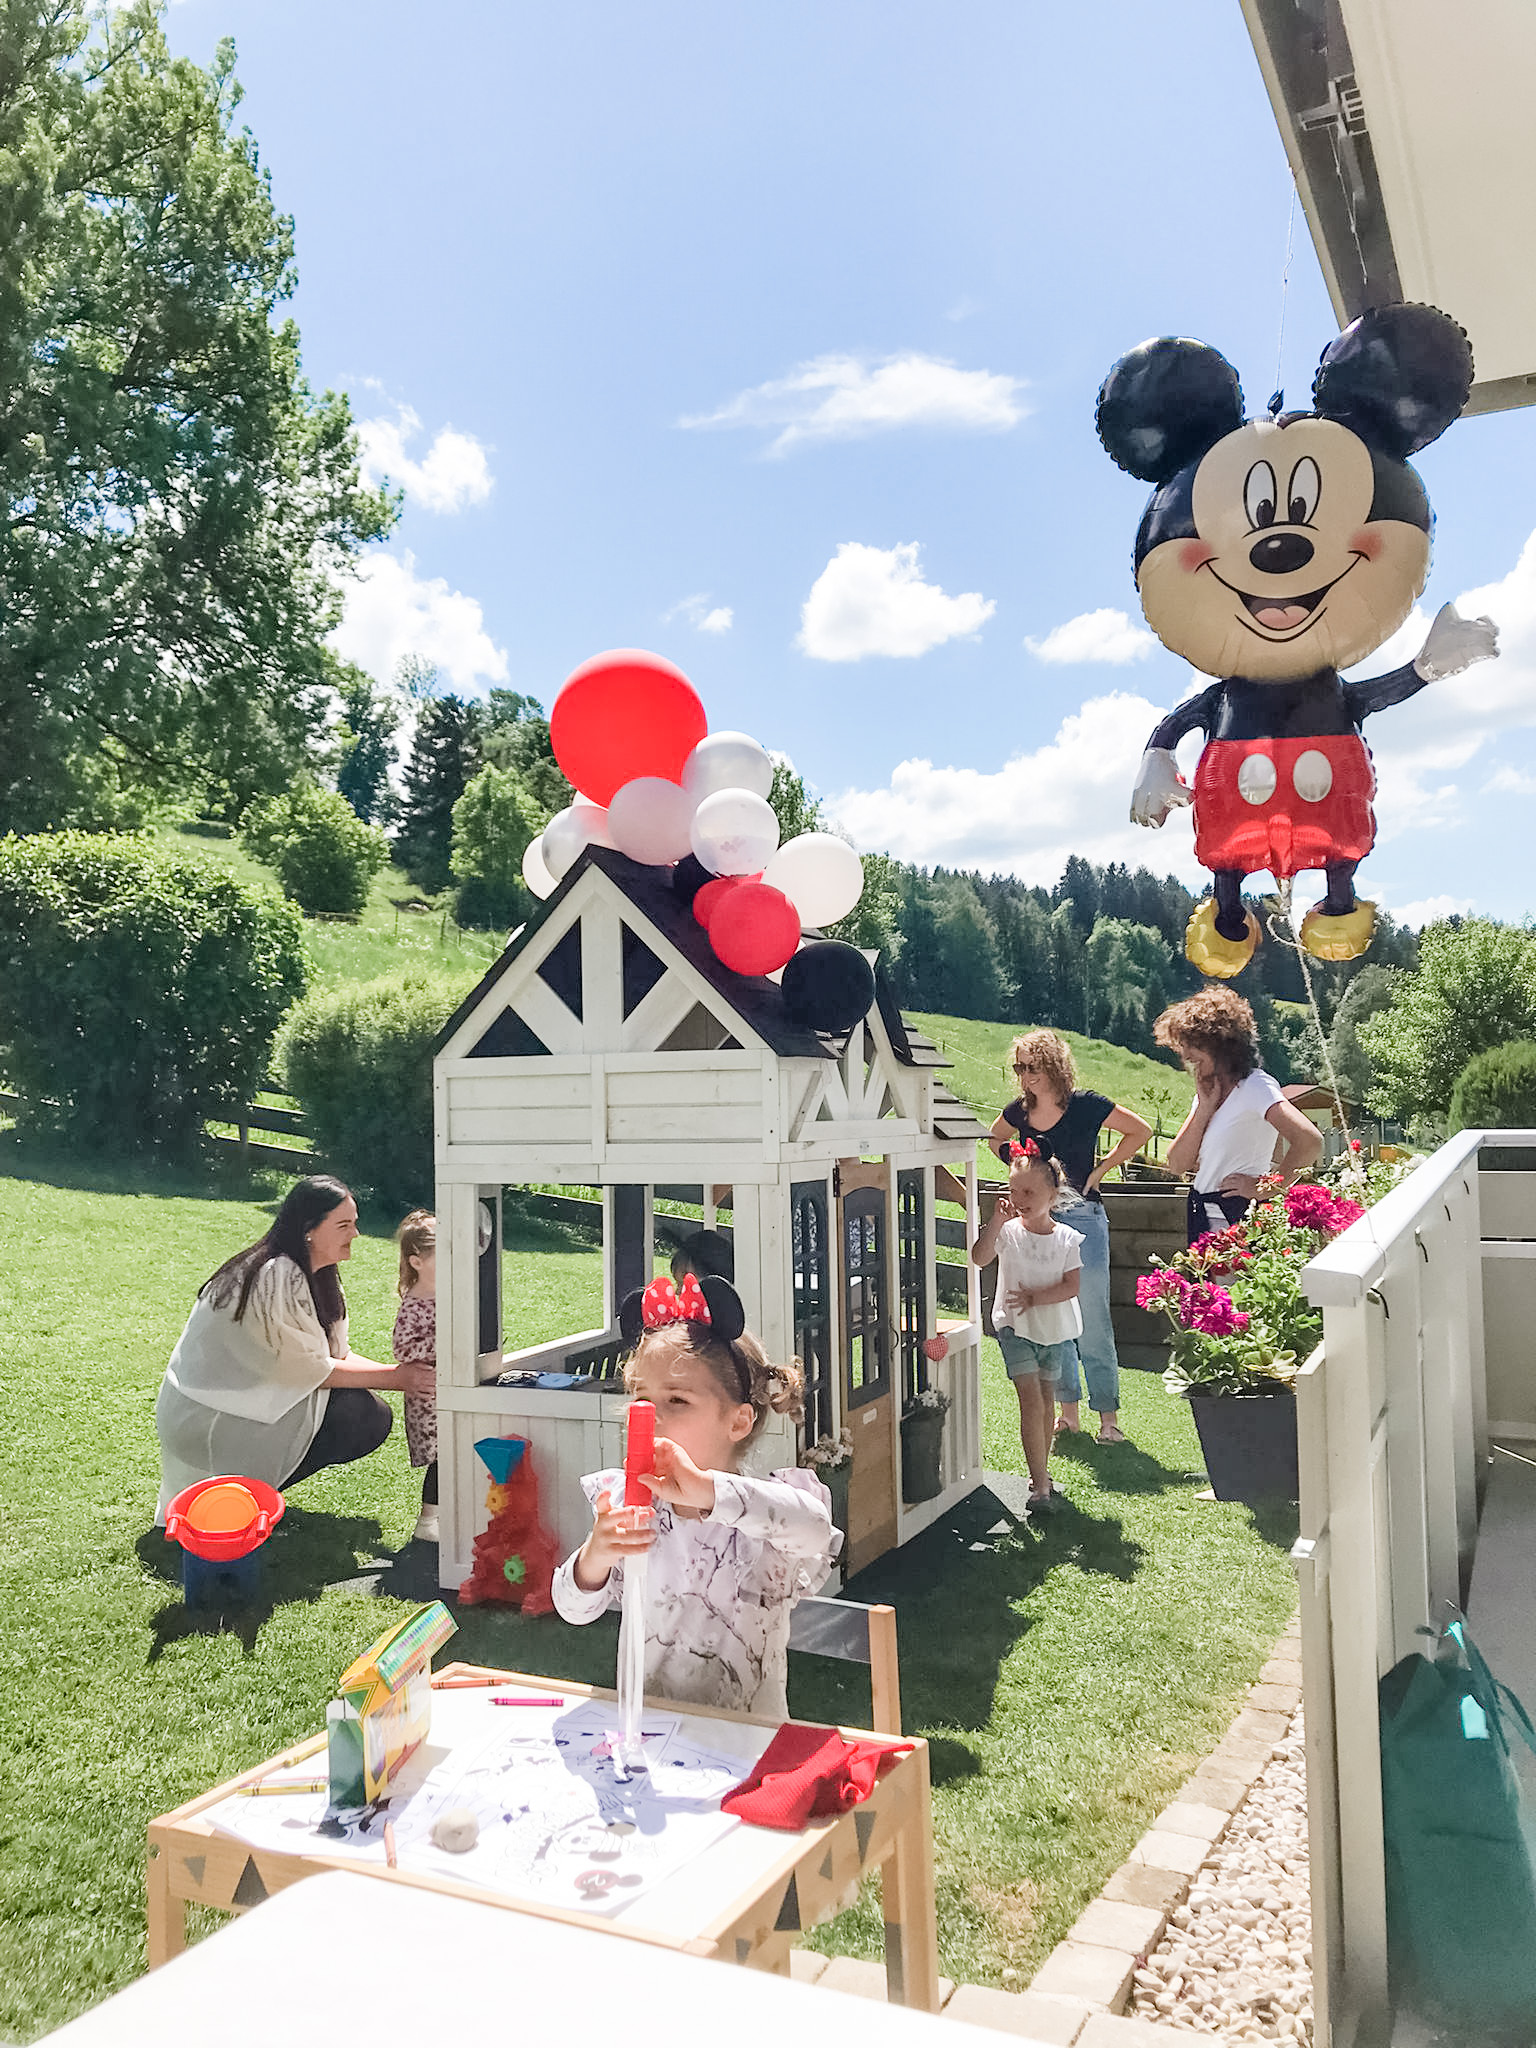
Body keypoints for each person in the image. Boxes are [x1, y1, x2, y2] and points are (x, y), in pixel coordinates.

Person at [551, 1274, 839, 1719]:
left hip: (746, 1746)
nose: (649, 1415)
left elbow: (816, 1530)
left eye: (678, 1401)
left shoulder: (765, 1512)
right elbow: (572, 1610)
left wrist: (710, 1493)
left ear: (738, 1423)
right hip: (647, 1735)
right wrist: (595, 1556)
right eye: (641, 1398)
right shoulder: (630, 1505)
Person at [154, 1176, 433, 1522]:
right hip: (210, 1416)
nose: (356, 1234)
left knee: (367, 1414)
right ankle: (236, 1500)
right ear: (308, 1230)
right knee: (360, 1416)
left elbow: (335, 1354)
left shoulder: (312, 1272)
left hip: (237, 1403)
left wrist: (407, 1375)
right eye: (344, 1225)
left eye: (355, 1223)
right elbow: (309, 1370)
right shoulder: (277, 1274)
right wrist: (400, 1378)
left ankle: (246, 1499)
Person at [989, 1029, 1151, 1444]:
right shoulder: (1018, 1112)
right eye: (1019, 1067)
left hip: (1083, 1217)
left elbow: (1140, 1131)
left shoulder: (1086, 1105)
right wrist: (1018, 1162)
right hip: (1038, 1227)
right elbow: (994, 1139)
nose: (1025, 1076)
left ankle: (1108, 1419)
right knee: (1053, 1321)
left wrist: (1100, 1171)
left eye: (1032, 1066)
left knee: (1092, 1319)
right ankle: (1068, 1414)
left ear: (1054, 1065)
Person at [1153, 988, 1324, 1245]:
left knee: (1232, 1286)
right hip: (1201, 1209)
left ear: (1219, 1043)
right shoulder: (1207, 1093)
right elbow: (1177, 1164)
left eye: (1191, 1045)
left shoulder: (1255, 1085)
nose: (1186, 1056)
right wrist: (1203, 1111)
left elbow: (1310, 1141)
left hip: (1235, 1213)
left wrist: (1265, 1188)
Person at [972, 1142, 1082, 1513]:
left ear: (1053, 1194)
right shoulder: (1008, 1231)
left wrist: (1036, 1298)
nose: (1019, 1199)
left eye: (1029, 1192)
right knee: (1031, 1400)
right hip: (1014, 1328)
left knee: (1047, 1401)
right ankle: (1039, 1486)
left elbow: (1072, 1286)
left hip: (1052, 1329)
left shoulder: (1067, 1238)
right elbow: (979, 1257)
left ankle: (1042, 1474)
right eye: (1013, 1190)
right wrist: (995, 1222)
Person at [392, 1210, 439, 1546]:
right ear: (417, 1261)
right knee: (442, 1458)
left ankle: (444, 1516)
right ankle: (428, 1521)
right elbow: (401, 1349)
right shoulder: (415, 1304)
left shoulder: (448, 1295)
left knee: (455, 1453)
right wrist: (443, 1340)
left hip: (444, 1389)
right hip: (427, 1396)